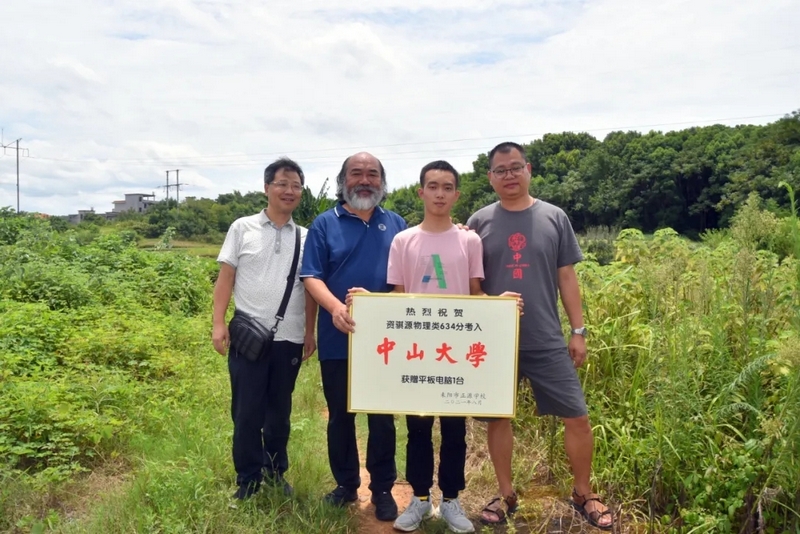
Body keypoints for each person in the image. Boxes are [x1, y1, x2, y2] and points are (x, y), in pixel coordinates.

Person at [466, 142, 614, 531]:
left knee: (577, 416)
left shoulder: (554, 217)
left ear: (529, 169)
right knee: (498, 419)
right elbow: (470, 284)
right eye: (501, 170)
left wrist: (578, 330)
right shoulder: (478, 222)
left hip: (546, 335)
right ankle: (506, 492)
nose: (510, 175)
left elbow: (567, 276)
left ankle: (583, 492)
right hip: (495, 339)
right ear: (490, 178)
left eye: (516, 167)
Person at [300, 152, 407, 522]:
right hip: (337, 336)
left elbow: (405, 281)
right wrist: (334, 308)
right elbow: (311, 276)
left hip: (386, 344)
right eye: (357, 174)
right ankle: (346, 484)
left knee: (382, 417)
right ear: (343, 180)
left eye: (373, 174)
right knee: (340, 416)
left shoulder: (396, 224)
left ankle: (382, 489)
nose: (365, 180)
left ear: (382, 181)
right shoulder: (324, 224)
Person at [212, 157, 318, 501]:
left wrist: (309, 333)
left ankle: (275, 472)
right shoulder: (242, 228)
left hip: (289, 340)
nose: (289, 191)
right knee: (245, 413)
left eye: (296, 186)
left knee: (279, 413)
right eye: (282, 184)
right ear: (266, 188)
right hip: (247, 339)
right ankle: (247, 478)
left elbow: (311, 289)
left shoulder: (307, 236)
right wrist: (217, 324)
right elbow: (225, 279)